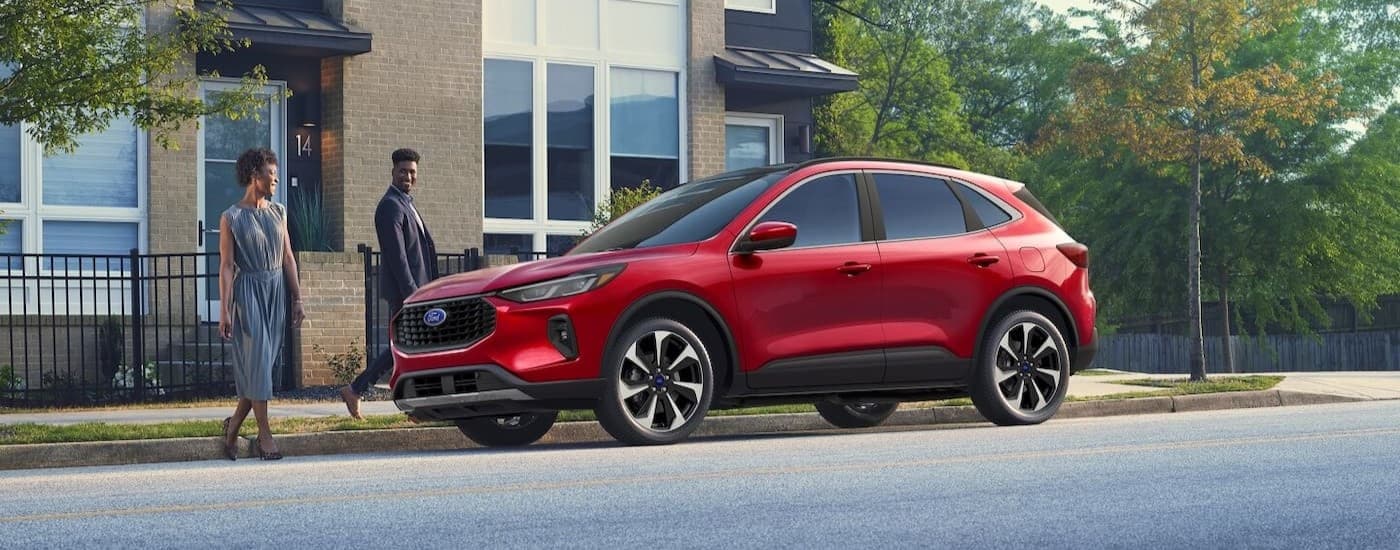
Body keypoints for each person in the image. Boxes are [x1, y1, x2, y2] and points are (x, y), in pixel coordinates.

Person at [219, 147, 306, 461]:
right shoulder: (232, 217)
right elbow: (227, 266)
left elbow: (288, 259)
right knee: (258, 364)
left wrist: (297, 298)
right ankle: (265, 436)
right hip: (249, 294)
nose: (276, 179)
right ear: (255, 175)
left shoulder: (278, 212)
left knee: (262, 369)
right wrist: (225, 309)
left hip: (276, 292)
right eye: (271, 173)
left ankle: (232, 429)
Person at [341, 148, 437, 419]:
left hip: (419, 290)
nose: (408, 176)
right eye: (403, 171)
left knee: (407, 349)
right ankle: (367, 392)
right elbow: (397, 258)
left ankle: (360, 390)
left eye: (412, 172)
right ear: (393, 172)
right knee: (405, 348)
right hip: (406, 293)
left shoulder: (406, 203)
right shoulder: (390, 206)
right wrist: (412, 295)